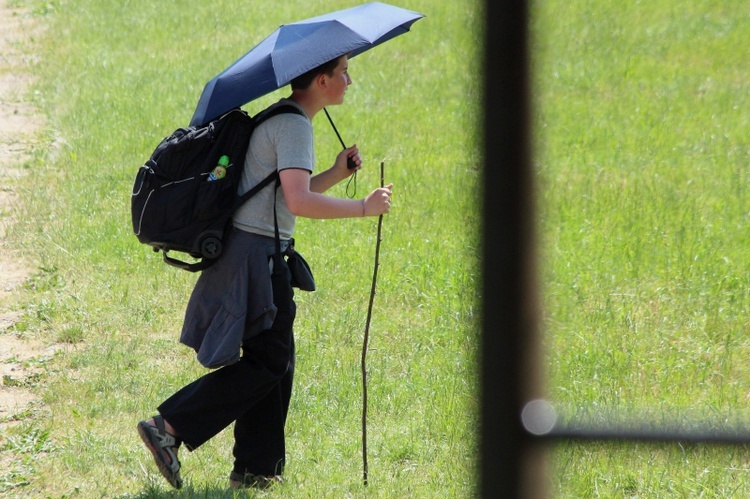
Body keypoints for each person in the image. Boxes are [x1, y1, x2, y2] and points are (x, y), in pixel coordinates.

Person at [136, 53, 393, 490]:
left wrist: (334, 172)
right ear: (321, 79)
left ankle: (256, 471)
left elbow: (285, 190)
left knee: (275, 362)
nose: (349, 80)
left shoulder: (282, 118)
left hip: (256, 252)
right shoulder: (294, 126)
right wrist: (363, 208)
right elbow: (297, 202)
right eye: (344, 72)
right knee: (270, 362)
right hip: (258, 258)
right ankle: (170, 426)